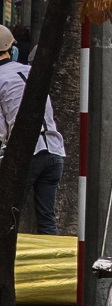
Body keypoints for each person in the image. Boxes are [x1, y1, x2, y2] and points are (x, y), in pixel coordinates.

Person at [0, 26, 64, 234]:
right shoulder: (30, 71)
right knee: (47, 219)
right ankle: (53, 261)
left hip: (28, 154)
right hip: (55, 151)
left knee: (7, 215)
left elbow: (1, 131)